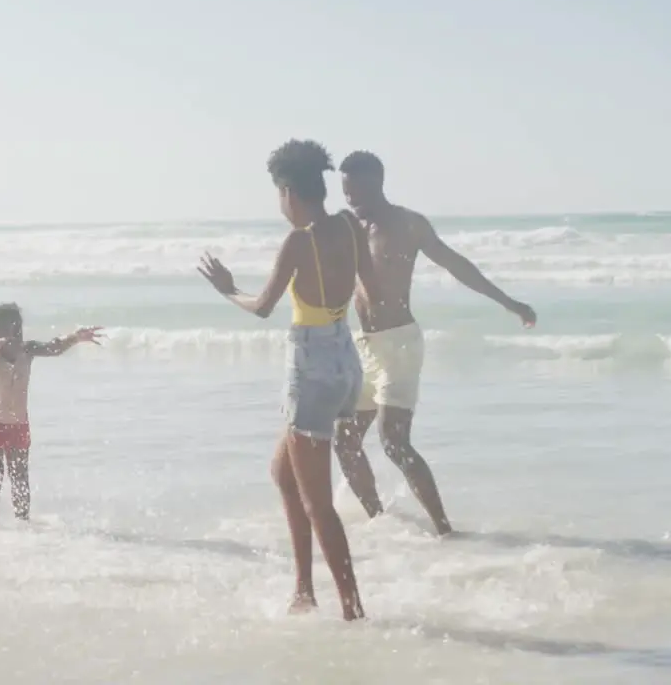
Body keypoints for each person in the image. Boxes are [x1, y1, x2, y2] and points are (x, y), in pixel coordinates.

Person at [197, 139, 381, 621]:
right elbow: (372, 290)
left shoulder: (300, 241)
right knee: (284, 473)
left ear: (288, 193)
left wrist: (227, 289)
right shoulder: (349, 225)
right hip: (346, 359)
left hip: (312, 369)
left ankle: (352, 609)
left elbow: (261, 308)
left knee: (319, 504)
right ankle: (304, 589)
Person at [332, 151, 537, 536]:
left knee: (393, 441)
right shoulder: (347, 228)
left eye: (355, 191)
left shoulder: (408, 224)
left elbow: (455, 264)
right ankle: (380, 521)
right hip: (362, 345)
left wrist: (509, 303)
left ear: (377, 182)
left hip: (400, 345)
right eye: (345, 193)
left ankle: (444, 530)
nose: (350, 200)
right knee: (344, 441)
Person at [0, 303, 102, 531]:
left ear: (17, 331)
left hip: (16, 419)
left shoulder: (28, 350)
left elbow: (54, 347)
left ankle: (23, 524)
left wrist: (75, 337)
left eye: (10, 332)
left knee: (19, 474)